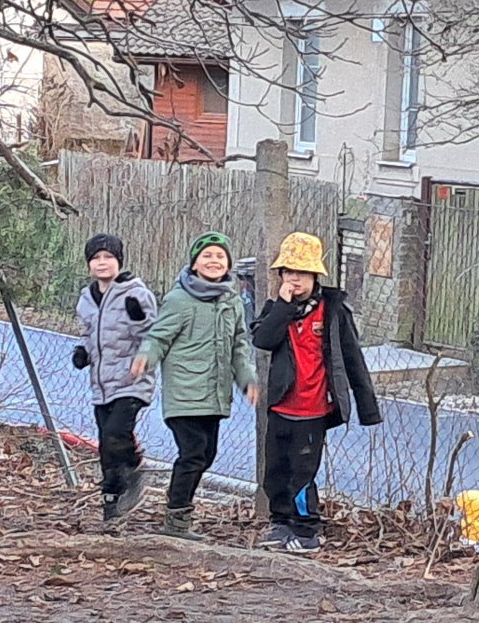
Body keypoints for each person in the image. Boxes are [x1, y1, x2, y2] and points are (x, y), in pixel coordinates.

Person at [250, 233, 381, 553]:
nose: (295, 279)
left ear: (315, 276)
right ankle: (281, 524)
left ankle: (307, 530)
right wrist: (283, 306)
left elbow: (353, 358)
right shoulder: (277, 310)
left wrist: (367, 408)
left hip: (313, 410)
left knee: (302, 473)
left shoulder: (333, 312)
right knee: (275, 473)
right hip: (281, 407)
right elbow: (262, 340)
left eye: (302, 273)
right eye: (288, 272)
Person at [129, 232, 257, 539]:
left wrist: (247, 379)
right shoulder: (179, 299)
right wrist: (146, 356)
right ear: (195, 263)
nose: (214, 261)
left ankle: (178, 506)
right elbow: (159, 336)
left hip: (214, 395)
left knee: (206, 454)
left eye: (220, 256)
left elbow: (239, 345)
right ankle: (177, 519)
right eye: (207, 256)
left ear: (228, 264)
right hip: (184, 393)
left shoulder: (231, 301)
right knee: (193, 453)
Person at [72, 232, 156, 524]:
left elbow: (154, 334)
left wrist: (140, 321)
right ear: (89, 264)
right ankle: (112, 501)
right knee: (106, 447)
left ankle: (135, 466)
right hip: (102, 384)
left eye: (108, 257)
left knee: (115, 435)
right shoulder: (87, 299)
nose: (102, 262)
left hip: (131, 381)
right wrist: (83, 352)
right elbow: (89, 334)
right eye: (96, 258)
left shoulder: (136, 294)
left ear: (119, 261)